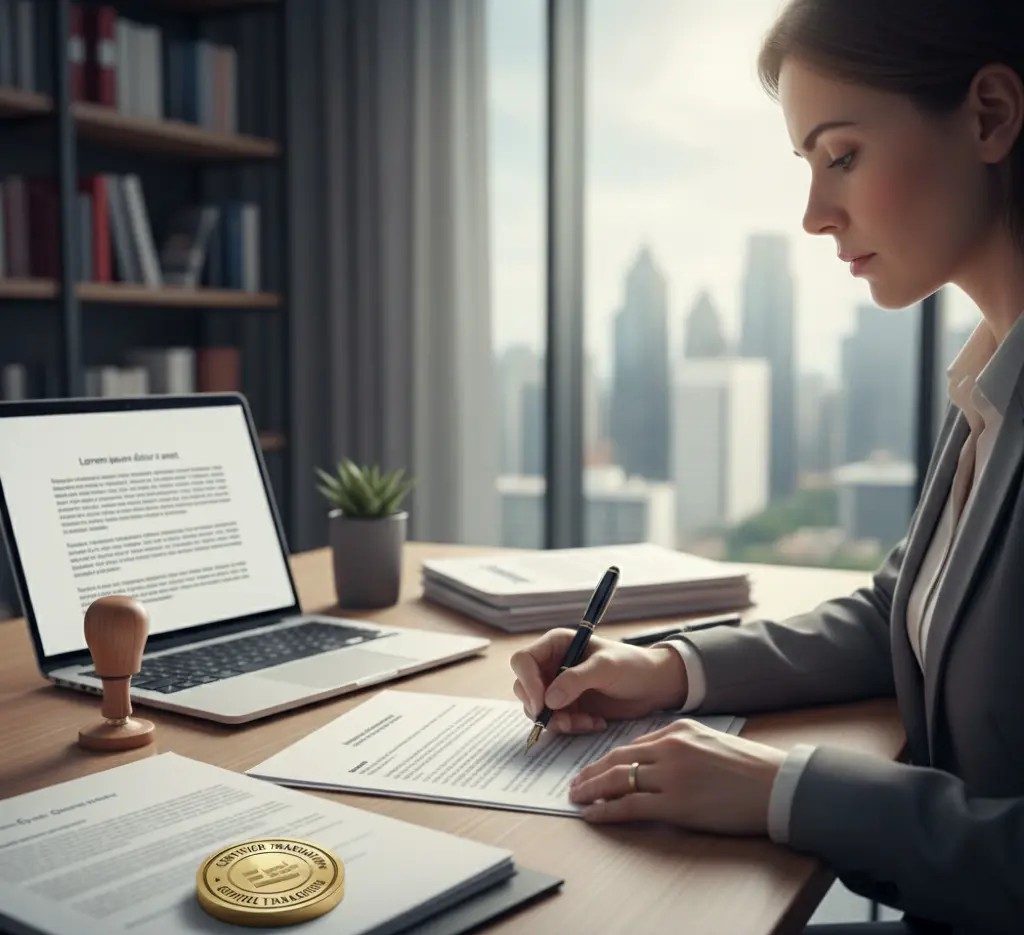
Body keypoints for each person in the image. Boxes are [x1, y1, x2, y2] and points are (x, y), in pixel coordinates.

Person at [510, 2, 1024, 933]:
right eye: (810, 165)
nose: (816, 214)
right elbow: (899, 612)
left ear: (989, 115)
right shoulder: (992, 371)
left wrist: (788, 789)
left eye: (844, 156)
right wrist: (664, 668)